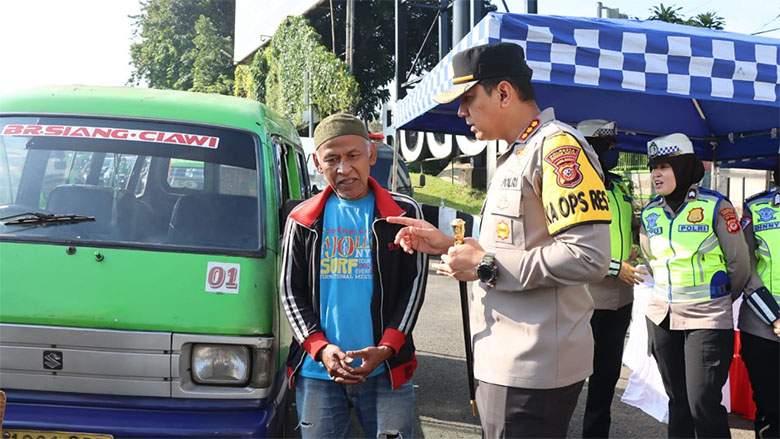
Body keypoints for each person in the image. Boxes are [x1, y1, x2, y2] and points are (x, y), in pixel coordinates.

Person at [388, 42, 612, 438]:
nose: (461, 112)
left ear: (504, 93)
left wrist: (486, 265)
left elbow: (588, 256)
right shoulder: (517, 153)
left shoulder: (556, 149)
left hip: (531, 368)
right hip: (507, 359)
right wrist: (447, 245)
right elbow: (515, 243)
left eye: (469, 99)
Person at [279, 113, 428, 439]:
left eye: (353, 156)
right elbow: (290, 292)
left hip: (386, 371)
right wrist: (320, 348)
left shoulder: (402, 215)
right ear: (318, 164)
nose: (344, 169)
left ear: (371, 155)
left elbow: (413, 286)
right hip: (319, 373)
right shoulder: (301, 220)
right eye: (332, 159)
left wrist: (386, 348)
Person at [639, 133, 750, 438]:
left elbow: (739, 264)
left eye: (664, 166)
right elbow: (650, 260)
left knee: (701, 400)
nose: (655, 174)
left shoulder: (716, 207)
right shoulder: (650, 213)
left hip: (708, 318)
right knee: (678, 402)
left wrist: (719, 300)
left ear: (684, 166)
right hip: (662, 317)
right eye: (653, 168)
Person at [577, 119, 647, 438]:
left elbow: (630, 230)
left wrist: (634, 253)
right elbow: (572, 246)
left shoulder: (619, 187)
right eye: (607, 147)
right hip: (585, 297)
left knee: (606, 377)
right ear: (589, 148)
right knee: (568, 377)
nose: (614, 152)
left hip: (620, 299)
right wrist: (616, 266)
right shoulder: (574, 188)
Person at [738, 156, 780, 439]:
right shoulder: (756, 208)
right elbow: (745, 266)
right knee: (770, 409)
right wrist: (775, 317)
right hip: (762, 326)